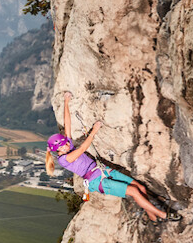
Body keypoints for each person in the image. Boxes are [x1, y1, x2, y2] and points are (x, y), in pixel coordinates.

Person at [46, 92, 180, 222]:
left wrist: (66, 102)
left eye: (65, 144)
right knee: (133, 191)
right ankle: (163, 215)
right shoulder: (64, 160)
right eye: (63, 146)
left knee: (141, 188)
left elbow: (67, 124)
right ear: (57, 150)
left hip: (103, 170)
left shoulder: (67, 146)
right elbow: (82, 149)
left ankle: (153, 217)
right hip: (96, 181)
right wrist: (94, 131)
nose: (67, 146)